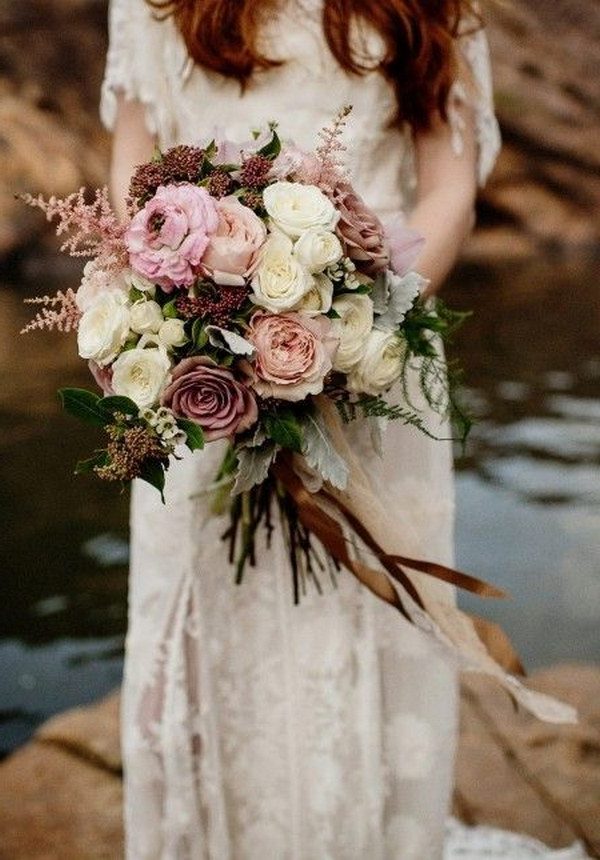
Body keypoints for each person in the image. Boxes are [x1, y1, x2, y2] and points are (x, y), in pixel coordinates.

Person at [100, 1, 509, 857]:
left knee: (365, 620)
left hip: (377, 367)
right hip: (198, 379)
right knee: (211, 627)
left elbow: (448, 188)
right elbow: (131, 169)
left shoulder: (441, 8)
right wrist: (175, 308)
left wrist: (346, 326)